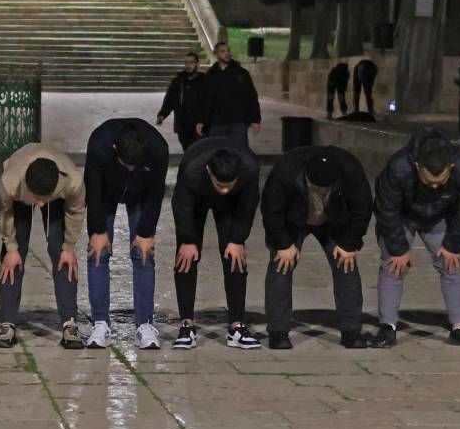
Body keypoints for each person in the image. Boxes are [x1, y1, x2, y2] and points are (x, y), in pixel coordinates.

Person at [371, 129, 460, 347]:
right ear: (417, 167)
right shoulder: (398, 167)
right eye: (428, 181)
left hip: (439, 216)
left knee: (451, 263)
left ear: (451, 168)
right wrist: (398, 249)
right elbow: (386, 208)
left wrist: (453, 245)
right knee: (393, 265)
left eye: (440, 182)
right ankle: (387, 327)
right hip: (403, 216)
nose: (434, 186)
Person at [260, 145, 371, 349]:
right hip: (293, 221)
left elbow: (362, 208)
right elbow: (271, 209)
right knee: (281, 265)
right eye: (316, 188)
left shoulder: (350, 169)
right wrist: (283, 244)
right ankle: (278, 331)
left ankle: (351, 331)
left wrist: (349, 243)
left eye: (326, 189)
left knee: (346, 264)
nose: (321, 193)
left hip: (334, 221)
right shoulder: (286, 170)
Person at [84, 116, 170, 349]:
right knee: (98, 252)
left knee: (144, 253)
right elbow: (93, 190)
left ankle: (145, 325)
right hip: (106, 192)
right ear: (115, 148)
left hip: (142, 193)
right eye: (126, 164)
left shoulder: (158, 148)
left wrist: (146, 232)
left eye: (135, 165)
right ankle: (100, 323)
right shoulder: (99, 143)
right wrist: (98, 230)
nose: (130, 169)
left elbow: (156, 192)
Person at [169, 136, 261, 350]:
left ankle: (237, 326)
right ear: (209, 171)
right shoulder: (192, 171)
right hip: (196, 199)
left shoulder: (249, 170)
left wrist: (237, 239)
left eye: (229, 185)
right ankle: (186, 325)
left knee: (235, 257)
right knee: (186, 258)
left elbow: (248, 206)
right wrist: (188, 240)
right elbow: (181, 206)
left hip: (231, 206)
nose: (224, 190)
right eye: (220, 185)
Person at [0, 141, 85, 347]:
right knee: (13, 256)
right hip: (20, 193)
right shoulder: (9, 182)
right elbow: (3, 213)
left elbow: (76, 212)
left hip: (56, 191)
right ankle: (7, 323)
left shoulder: (73, 182)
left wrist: (69, 247)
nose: (41, 204)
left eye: (45, 199)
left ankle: (69, 323)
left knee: (61, 253)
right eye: (37, 199)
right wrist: (11, 247)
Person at [200, 39, 263, 149]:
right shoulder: (210, 75)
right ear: (216, 54)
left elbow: (251, 97)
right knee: (216, 152)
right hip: (217, 123)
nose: (227, 53)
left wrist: (255, 120)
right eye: (223, 51)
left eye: (228, 50)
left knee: (239, 152)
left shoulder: (241, 74)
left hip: (237, 122)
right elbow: (205, 100)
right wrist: (201, 121)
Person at [158, 51, 212, 147]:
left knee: (198, 150)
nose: (188, 65)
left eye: (191, 62)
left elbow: (209, 103)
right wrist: (162, 114)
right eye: (186, 62)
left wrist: (204, 120)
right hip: (182, 125)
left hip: (199, 125)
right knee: (187, 149)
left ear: (197, 64)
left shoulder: (205, 81)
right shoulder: (178, 81)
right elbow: (170, 99)